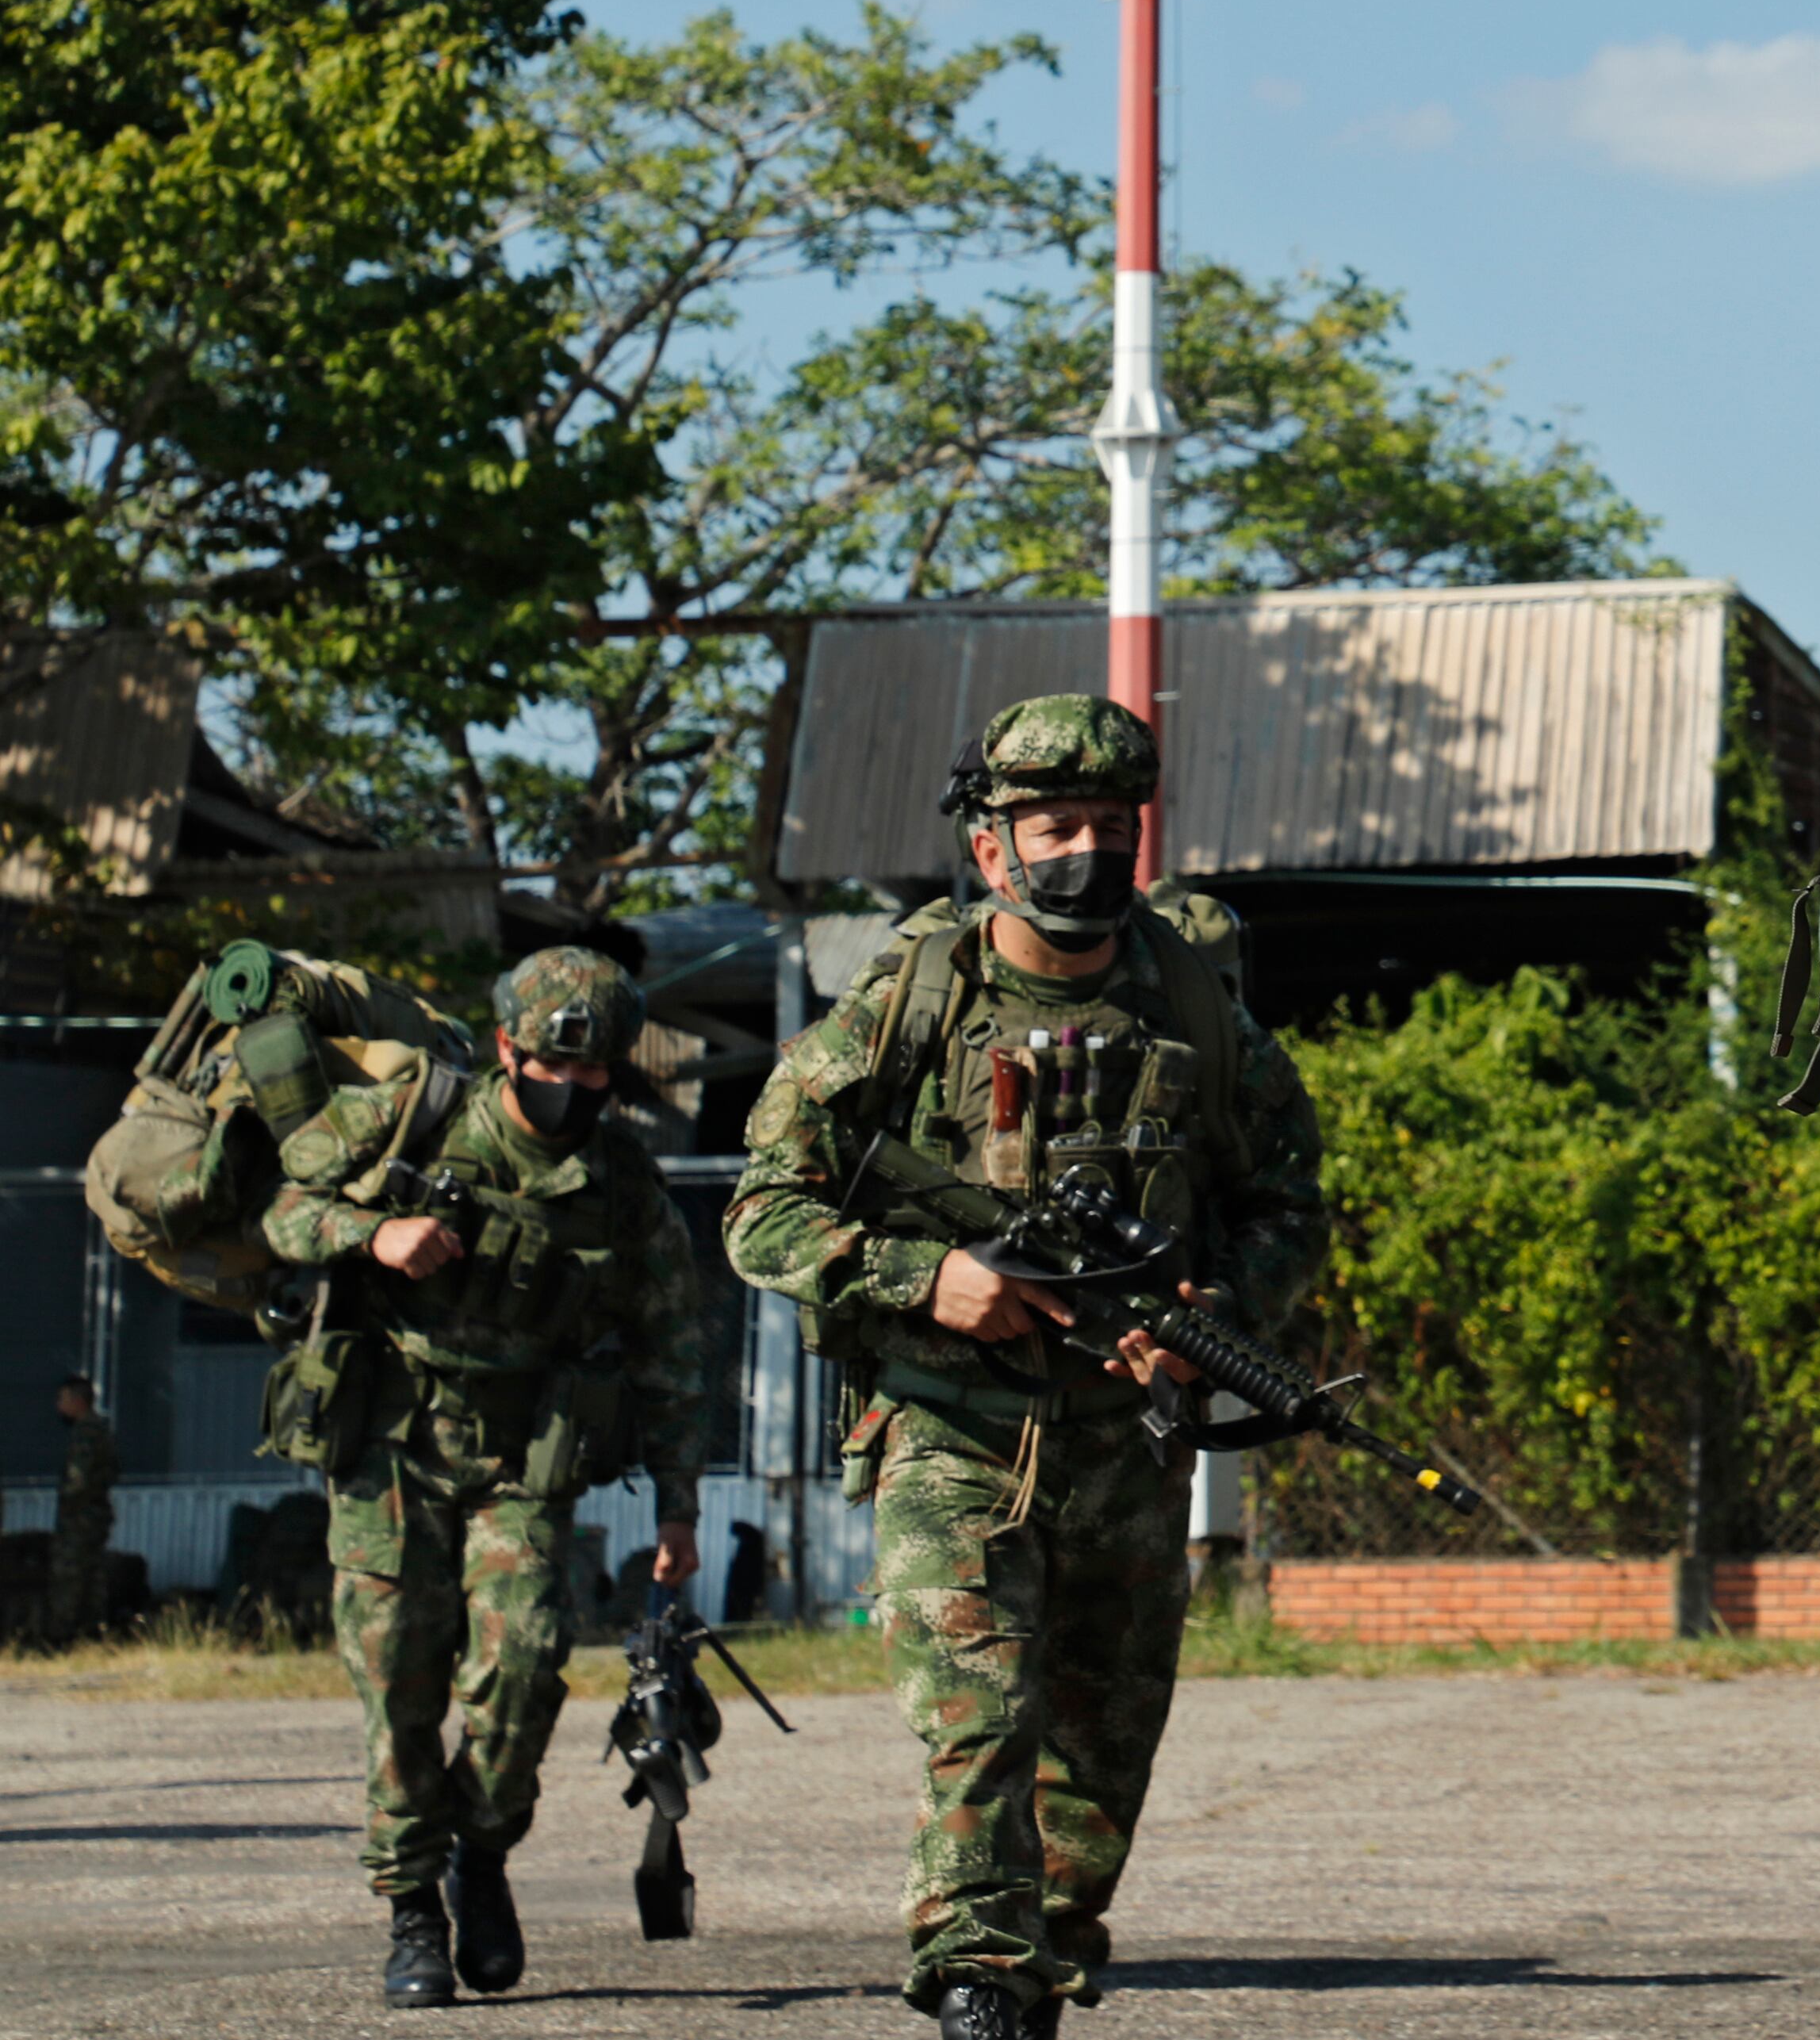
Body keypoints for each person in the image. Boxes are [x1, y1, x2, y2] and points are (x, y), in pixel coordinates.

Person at [725, 693, 1327, 2040]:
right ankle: (976, 1969)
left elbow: (1291, 1203)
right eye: (1053, 824)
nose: (1085, 851)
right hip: (948, 1425)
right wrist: (922, 1277)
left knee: (1106, 1739)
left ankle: (1045, 1949)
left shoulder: (1193, 1008)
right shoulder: (905, 1007)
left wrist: (1205, 1311)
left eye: (1112, 826)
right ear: (989, 844)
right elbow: (762, 1207)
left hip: (1125, 1435)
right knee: (977, 1712)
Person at [261, 945, 708, 2010]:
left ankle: (483, 1849)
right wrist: (374, 1234)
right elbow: (282, 1215)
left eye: (598, 1074)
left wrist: (679, 1500)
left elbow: (670, 1346)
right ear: (506, 1048)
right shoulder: (414, 1116)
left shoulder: (623, 1184)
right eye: (557, 1067)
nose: (576, 1090)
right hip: (394, 1443)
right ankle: (413, 1906)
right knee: (398, 1682)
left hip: (523, 1455)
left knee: (525, 1667)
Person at [45, 1373, 114, 1645]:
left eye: (62, 1399)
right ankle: (93, 1634)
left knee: (68, 1575)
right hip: (94, 1517)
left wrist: (68, 1504)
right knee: (92, 1575)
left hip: (80, 1519)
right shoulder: (100, 1429)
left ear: (78, 1401)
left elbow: (79, 1480)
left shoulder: (86, 1433)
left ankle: (61, 1636)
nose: (58, 1406)